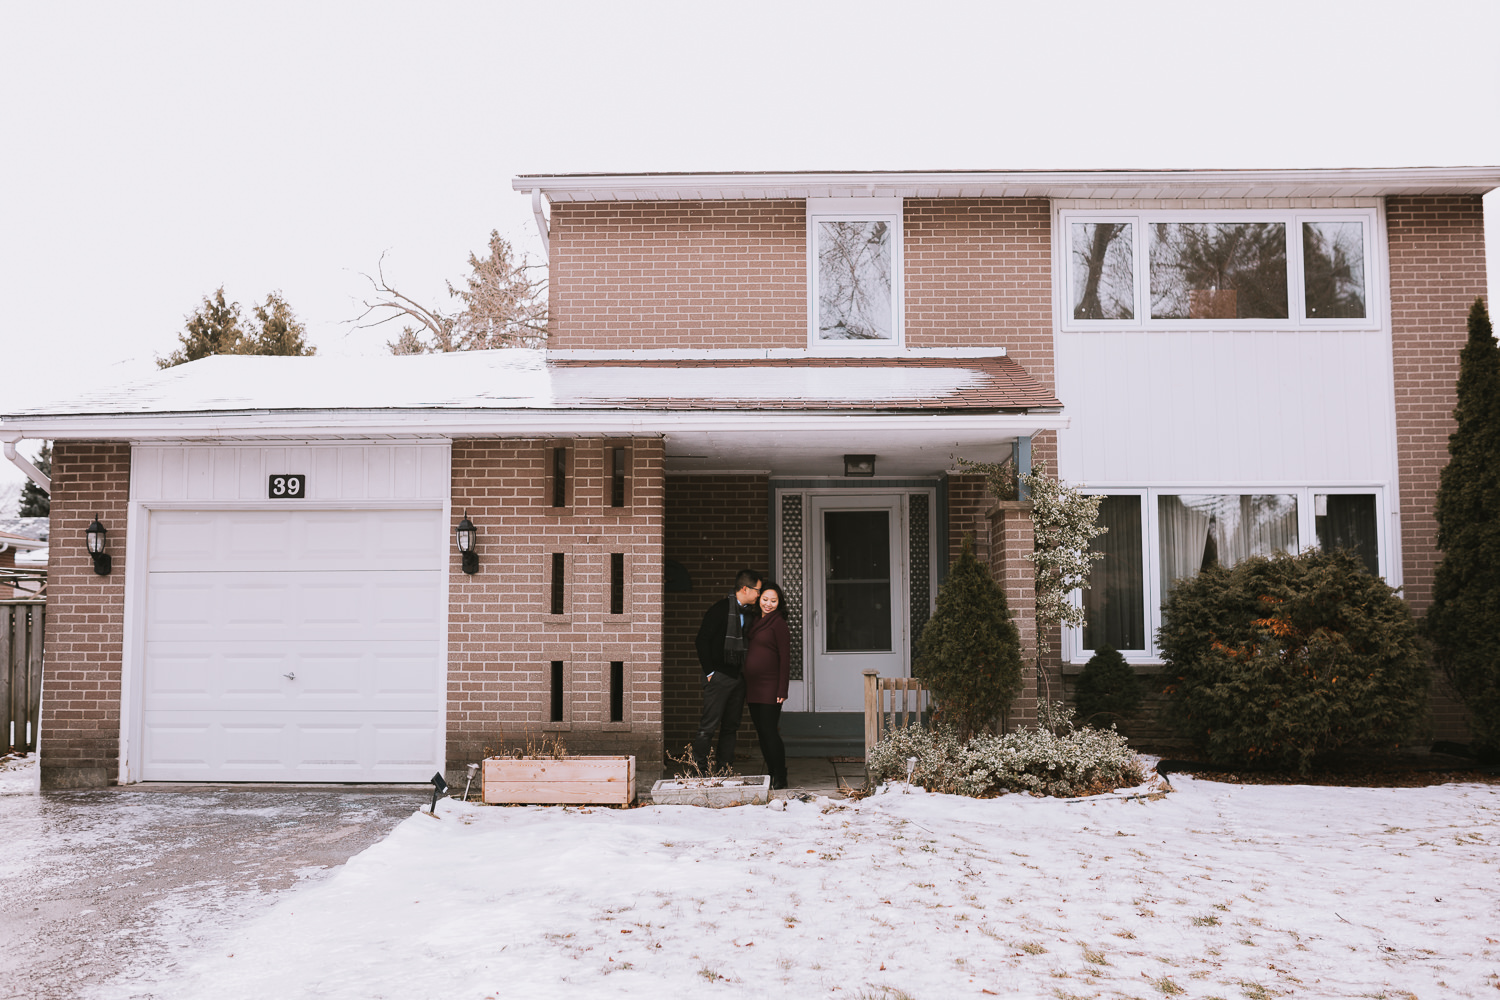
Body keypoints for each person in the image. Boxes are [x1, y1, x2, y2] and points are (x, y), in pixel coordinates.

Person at [691, 569, 762, 773]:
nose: (759, 594)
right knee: (708, 727)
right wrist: (710, 673)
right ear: (745, 588)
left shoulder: (749, 613)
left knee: (731, 726)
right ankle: (698, 771)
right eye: (757, 590)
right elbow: (701, 640)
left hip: (739, 677)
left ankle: (724, 769)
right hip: (719, 677)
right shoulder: (721, 609)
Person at [744, 581, 791, 790]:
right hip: (753, 686)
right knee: (762, 732)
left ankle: (780, 776)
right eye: (765, 599)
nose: (768, 604)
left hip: (771, 686)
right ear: (759, 599)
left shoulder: (778, 623)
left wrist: (782, 689)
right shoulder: (754, 620)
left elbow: (785, 658)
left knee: (770, 731)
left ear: (779, 603)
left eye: (773, 601)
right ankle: (771, 774)